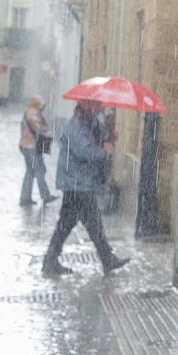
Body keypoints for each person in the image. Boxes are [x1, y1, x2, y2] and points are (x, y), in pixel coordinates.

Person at [43, 99, 130, 277]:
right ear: (87, 106)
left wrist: (109, 134)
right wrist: (105, 150)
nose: (101, 108)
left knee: (71, 224)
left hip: (79, 183)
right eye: (98, 105)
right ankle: (107, 259)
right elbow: (86, 152)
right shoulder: (75, 126)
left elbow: (95, 139)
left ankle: (51, 261)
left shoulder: (85, 123)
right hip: (77, 185)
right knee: (89, 224)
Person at [17, 96, 56, 207]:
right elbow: (38, 129)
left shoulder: (29, 112)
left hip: (27, 146)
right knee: (40, 171)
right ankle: (45, 195)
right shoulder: (33, 114)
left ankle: (25, 197)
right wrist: (49, 134)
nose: (43, 106)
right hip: (31, 146)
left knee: (30, 172)